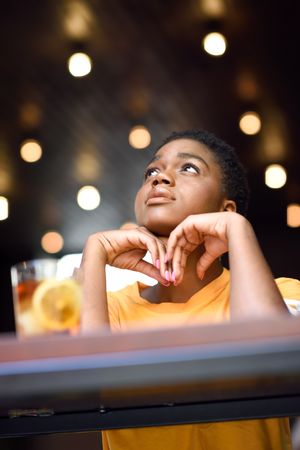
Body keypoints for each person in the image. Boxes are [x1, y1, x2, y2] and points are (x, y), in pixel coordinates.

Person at [79, 129, 300, 450]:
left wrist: (238, 230)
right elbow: (78, 392)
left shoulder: (282, 293)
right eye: (152, 172)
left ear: (226, 211)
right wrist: (94, 253)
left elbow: (271, 370)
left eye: (188, 168)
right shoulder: (110, 309)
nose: (159, 179)